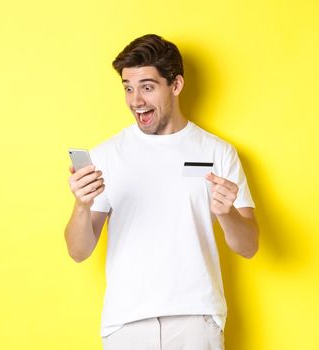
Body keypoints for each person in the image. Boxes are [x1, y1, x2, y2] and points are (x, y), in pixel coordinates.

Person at [64, 34, 259, 350]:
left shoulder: (218, 153)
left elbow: (248, 246)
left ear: (176, 85)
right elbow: (78, 251)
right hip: (127, 323)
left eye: (147, 87)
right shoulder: (107, 156)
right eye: (128, 88)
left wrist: (228, 214)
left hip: (197, 320)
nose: (136, 100)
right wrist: (82, 206)